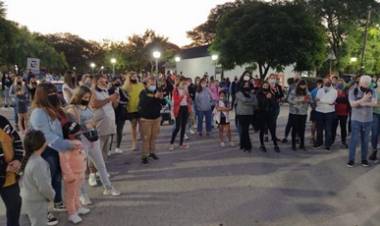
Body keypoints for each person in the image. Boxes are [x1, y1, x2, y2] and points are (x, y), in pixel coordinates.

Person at [30, 83, 81, 224]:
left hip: (56, 149)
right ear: (42, 95)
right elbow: (47, 135)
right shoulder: (38, 113)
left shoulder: (52, 109)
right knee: (45, 181)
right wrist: (68, 145)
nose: (54, 94)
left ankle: (57, 202)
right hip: (44, 150)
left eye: (55, 91)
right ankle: (43, 211)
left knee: (56, 177)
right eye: (50, 93)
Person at [66, 86, 120, 199]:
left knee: (101, 164)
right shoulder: (73, 109)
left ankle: (108, 187)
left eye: (88, 97)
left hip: (93, 137)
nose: (87, 99)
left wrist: (92, 124)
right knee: (81, 168)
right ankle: (83, 195)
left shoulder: (87, 106)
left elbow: (92, 118)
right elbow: (73, 127)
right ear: (78, 96)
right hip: (81, 140)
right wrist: (86, 125)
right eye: (85, 97)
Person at [20, 130, 55, 226]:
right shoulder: (39, 163)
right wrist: (52, 195)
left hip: (28, 199)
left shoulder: (28, 158)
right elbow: (44, 186)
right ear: (42, 144)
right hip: (37, 201)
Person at [348, 75, 377, 167]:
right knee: (354, 140)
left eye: (368, 84)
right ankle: (351, 159)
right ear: (360, 82)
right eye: (364, 83)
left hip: (368, 120)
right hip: (356, 120)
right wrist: (364, 99)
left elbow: (374, 103)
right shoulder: (353, 90)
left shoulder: (372, 91)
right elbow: (352, 104)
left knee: (365, 140)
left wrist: (362, 103)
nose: (366, 86)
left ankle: (364, 159)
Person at [0, 114, 23, 226]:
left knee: (15, 205)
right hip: (6, 170)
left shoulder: (2, 120)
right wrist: (3, 167)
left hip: (9, 176)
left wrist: (18, 159)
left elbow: (17, 140)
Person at [91, 74, 119, 159]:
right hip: (100, 122)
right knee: (98, 147)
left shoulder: (106, 90)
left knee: (105, 149)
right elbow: (94, 104)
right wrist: (109, 99)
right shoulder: (92, 91)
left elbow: (113, 106)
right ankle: (95, 170)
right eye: (102, 78)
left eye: (105, 78)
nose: (105, 80)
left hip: (109, 122)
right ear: (97, 81)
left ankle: (103, 168)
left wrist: (115, 100)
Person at [138, 76, 165, 164]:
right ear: (146, 84)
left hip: (156, 118)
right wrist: (154, 97)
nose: (153, 85)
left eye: (154, 83)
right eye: (151, 83)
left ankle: (152, 152)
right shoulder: (143, 92)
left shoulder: (157, 91)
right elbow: (144, 103)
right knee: (146, 138)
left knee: (154, 137)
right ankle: (144, 156)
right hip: (146, 119)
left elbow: (163, 103)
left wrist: (161, 98)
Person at [123, 72, 144, 151]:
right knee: (133, 126)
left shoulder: (140, 85)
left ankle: (143, 141)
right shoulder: (126, 86)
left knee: (142, 126)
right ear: (129, 77)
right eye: (132, 76)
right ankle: (134, 143)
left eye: (135, 75)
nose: (134, 77)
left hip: (140, 108)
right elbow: (123, 96)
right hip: (131, 108)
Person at [256, 82, 280, 153]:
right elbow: (259, 104)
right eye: (264, 85)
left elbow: (274, 104)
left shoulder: (271, 93)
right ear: (262, 86)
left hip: (270, 114)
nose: (265, 86)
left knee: (272, 130)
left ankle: (275, 145)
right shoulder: (259, 94)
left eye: (267, 85)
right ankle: (262, 145)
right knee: (262, 130)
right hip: (262, 114)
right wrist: (266, 98)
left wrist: (271, 99)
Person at [288, 80, 312, 151]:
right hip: (295, 112)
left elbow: (311, 100)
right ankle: (293, 144)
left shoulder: (307, 92)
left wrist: (306, 100)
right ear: (299, 85)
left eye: (304, 85)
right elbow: (289, 99)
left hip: (303, 113)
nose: (303, 86)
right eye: (301, 85)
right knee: (295, 128)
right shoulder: (294, 91)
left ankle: (302, 144)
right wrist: (297, 100)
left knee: (302, 129)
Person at [315, 77, 338, 150]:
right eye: (325, 81)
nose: (326, 82)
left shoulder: (334, 91)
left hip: (329, 112)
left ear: (330, 82)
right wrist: (326, 101)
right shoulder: (320, 90)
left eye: (327, 81)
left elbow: (331, 101)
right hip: (319, 111)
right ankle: (319, 142)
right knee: (319, 128)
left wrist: (321, 100)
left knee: (328, 129)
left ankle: (327, 144)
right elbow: (316, 99)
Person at [170, 78, 192, 150]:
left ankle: (181, 143)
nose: (184, 85)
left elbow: (189, 101)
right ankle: (172, 143)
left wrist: (187, 95)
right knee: (177, 127)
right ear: (179, 83)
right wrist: (182, 95)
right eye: (183, 83)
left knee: (183, 127)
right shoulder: (175, 90)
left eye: (185, 84)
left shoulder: (186, 90)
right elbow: (176, 102)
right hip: (178, 109)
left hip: (185, 109)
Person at [235, 81, 257, 152]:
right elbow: (244, 100)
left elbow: (256, 103)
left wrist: (249, 102)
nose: (246, 86)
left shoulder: (252, 93)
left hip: (249, 114)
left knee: (245, 130)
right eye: (245, 84)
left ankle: (243, 145)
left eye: (247, 85)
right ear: (242, 85)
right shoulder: (239, 93)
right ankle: (248, 146)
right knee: (244, 130)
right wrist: (251, 101)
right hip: (241, 114)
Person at [109, 77, 128, 154]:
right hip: (112, 113)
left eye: (119, 81)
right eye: (116, 81)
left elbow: (127, 100)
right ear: (112, 82)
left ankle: (118, 147)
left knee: (119, 131)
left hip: (121, 113)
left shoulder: (122, 90)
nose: (118, 83)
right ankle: (109, 149)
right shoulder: (109, 90)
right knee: (111, 132)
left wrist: (119, 101)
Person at [282, 74, 301, 143]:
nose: (297, 79)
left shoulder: (303, 87)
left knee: (298, 124)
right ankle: (285, 137)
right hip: (292, 109)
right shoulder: (291, 86)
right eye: (296, 78)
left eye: (298, 78)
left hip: (300, 110)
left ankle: (297, 137)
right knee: (290, 123)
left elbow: (306, 97)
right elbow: (288, 98)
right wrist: (293, 101)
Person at [332, 80, 349, 148]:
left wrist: (339, 101)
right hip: (335, 112)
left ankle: (343, 141)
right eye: (338, 87)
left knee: (343, 128)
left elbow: (348, 102)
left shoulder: (346, 93)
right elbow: (333, 101)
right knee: (333, 127)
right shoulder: (334, 93)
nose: (339, 89)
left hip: (344, 113)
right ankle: (332, 140)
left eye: (340, 88)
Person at [310, 79, 323, 144]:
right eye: (319, 84)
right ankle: (313, 137)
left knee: (315, 124)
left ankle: (313, 137)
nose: (320, 85)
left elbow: (310, 100)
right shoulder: (315, 91)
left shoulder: (313, 91)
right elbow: (310, 100)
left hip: (317, 109)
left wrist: (312, 106)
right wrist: (313, 106)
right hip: (317, 110)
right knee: (315, 124)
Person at [369, 79, 380, 162]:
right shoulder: (374, 91)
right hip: (375, 114)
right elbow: (372, 103)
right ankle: (374, 151)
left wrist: (377, 103)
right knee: (374, 134)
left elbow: (375, 103)